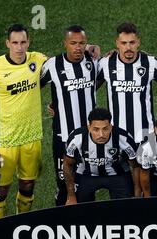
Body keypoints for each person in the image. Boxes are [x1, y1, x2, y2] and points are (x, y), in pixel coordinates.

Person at [0, 24, 47, 220]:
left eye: (23, 42)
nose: (19, 47)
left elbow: (61, 65)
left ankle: (19, 224)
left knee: (28, 185)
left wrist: (87, 47)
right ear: (8, 43)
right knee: (1, 189)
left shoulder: (37, 60)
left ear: (28, 42)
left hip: (32, 136)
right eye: (14, 42)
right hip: (4, 140)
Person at [97, 22, 157, 196]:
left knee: (146, 177)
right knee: (124, 179)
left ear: (138, 42)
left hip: (145, 131)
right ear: (117, 44)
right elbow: (89, 89)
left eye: (132, 43)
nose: (128, 47)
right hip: (117, 133)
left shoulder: (150, 63)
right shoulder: (105, 64)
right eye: (124, 43)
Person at [41, 25, 98, 206]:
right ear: (65, 43)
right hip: (63, 136)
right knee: (64, 184)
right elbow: (31, 89)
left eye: (82, 43)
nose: (78, 47)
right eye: (73, 43)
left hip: (90, 137)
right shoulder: (52, 65)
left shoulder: (93, 61)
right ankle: (61, 222)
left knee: (87, 184)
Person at [63, 108, 138, 204]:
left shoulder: (124, 138)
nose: (101, 134)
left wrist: (137, 192)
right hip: (86, 175)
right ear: (89, 127)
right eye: (96, 129)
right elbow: (67, 165)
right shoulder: (76, 139)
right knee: (80, 209)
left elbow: (135, 166)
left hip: (117, 174)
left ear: (111, 127)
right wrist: (71, 196)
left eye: (105, 129)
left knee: (125, 207)